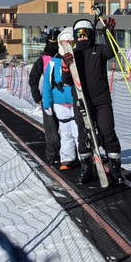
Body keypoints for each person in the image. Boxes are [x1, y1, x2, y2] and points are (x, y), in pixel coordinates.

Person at [63, 17, 124, 185]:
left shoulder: (99, 50)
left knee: (108, 132)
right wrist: (66, 67)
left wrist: (109, 34)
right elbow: (67, 80)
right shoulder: (73, 55)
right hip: (82, 102)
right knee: (83, 135)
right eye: (79, 34)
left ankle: (115, 169)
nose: (82, 37)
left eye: (86, 33)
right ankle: (87, 168)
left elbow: (112, 51)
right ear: (75, 36)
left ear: (91, 35)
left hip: (101, 101)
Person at [42, 28, 81, 171]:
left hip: (75, 101)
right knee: (65, 132)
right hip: (60, 103)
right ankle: (68, 158)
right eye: (64, 42)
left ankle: (85, 156)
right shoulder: (53, 63)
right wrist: (47, 103)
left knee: (79, 131)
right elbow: (46, 84)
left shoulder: (78, 60)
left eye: (70, 42)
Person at [29, 28, 62, 168]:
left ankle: (69, 154)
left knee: (68, 129)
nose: (53, 44)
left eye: (56, 41)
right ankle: (52, 154)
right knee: (51, 129)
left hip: (65, 98)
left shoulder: (64, 56)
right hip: (48, 98)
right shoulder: (43, 59)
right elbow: (33, 78)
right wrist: (36, 95)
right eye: (51, 41)